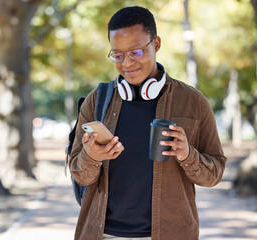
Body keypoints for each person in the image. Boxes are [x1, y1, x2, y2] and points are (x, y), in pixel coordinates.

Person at [69, 5, 227, 240]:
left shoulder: (193, 101)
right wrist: (91, 157)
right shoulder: (96, 100)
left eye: (136, 52)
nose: (127, 63)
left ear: (156, 44)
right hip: (103, 234)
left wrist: (187, 155)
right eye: (118, 55)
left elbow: (214, 173)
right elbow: (79, 175)